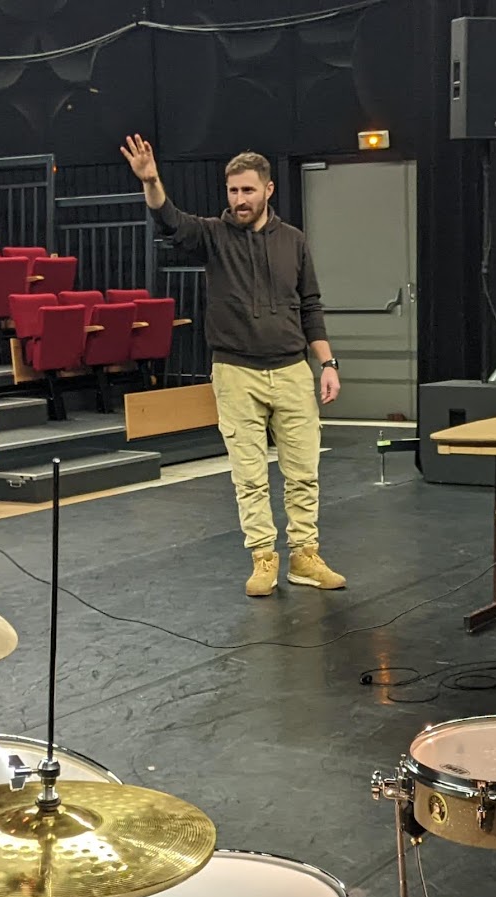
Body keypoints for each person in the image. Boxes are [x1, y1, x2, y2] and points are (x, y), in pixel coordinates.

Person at [120, 135, 346, 597]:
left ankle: (304, 556)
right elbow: (171, 221)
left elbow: (311, 305)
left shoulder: (294, 241)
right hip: (235, 372)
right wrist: (152, 182)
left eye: (248, 190)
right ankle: (263, 557)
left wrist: (328, 363)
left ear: (268, 190)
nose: (239, 200)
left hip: (291, 370)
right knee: (250, 474)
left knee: (303, 471)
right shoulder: (213, 235)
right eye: (233, 191)